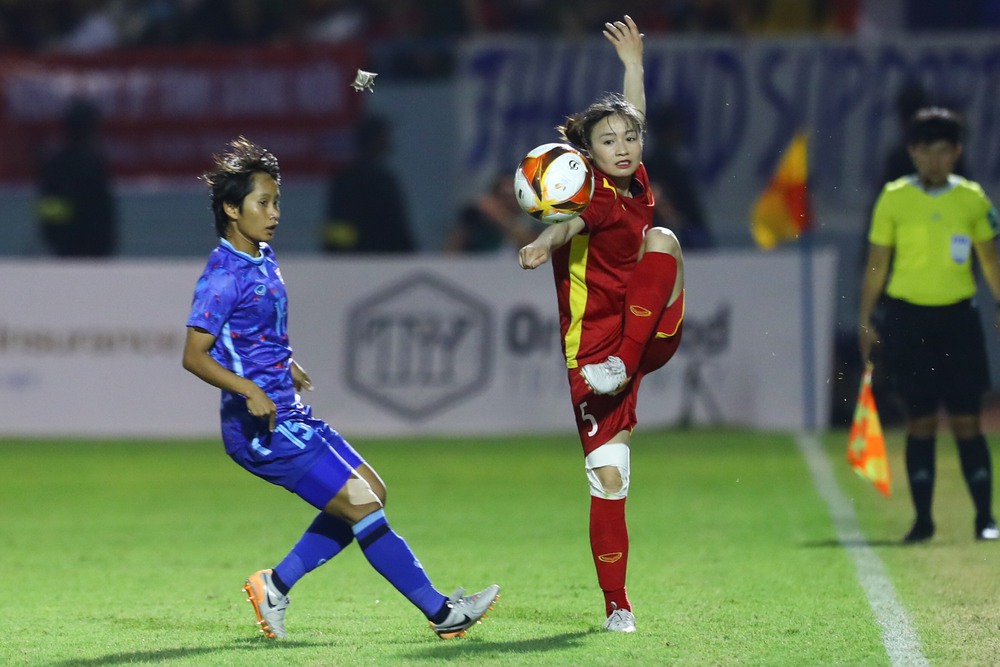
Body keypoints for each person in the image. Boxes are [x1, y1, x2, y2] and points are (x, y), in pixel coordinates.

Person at [182, 137, 499, 640]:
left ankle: (276, 585)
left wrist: (287, 365)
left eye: (277, 201)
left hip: (288, 411)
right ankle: (442, 614)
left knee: (372, 492)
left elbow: (254, 337)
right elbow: (193, 356)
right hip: (262, 428)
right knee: (362, 506)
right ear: (229, 208)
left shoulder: (261, 257)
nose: (274, 212)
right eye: (263, 203)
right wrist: (248, 389)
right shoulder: (220, 277)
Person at [518, 16, 684, 633]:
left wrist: (634, 66)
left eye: (628, 138)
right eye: (608, 141)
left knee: (663, 239)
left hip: (647, 340)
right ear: (587, 156)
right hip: (592, 353)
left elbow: (634, 113)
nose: (623, 146)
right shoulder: (586, 196)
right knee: (609, 479)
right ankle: (618, 605)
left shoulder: (637, 182)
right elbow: (568, 225)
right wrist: (543, 241)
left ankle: (626, 358)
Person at [858, 107, 1000, 543]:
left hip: (958, 318)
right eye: (926, 151)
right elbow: (877, 264)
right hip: (908, 320)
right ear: (913, 152)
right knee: (919, 420)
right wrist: (866, 318)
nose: (934, 160)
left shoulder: (972, 198)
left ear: (956, 153)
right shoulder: (895, 197)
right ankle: (922, 522)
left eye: (943, 151)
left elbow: (990, 259)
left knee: (966, 421)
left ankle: (985, 520)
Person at [321, 114, 418, 253]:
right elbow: (397, 229)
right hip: (384, 262)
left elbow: (337, 229)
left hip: (349, 264)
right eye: (385, 136)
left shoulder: (344, 180)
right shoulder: (383, 181)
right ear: (376, 140)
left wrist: (337, 257)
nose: (389, 140)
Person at [36, 97, 118, 257]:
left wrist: (57, 238)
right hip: (83, 249)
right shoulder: (91, 163)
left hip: (73, 248)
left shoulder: (55, 163)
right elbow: (101, 212)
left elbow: (49, 209)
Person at [444, 172, 541, 253]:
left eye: (514, 196)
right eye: (504, 196)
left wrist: (503, 219)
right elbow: (451, 253)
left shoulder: (532, 220)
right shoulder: (478, 222)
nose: (509, 201)